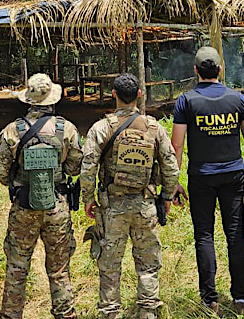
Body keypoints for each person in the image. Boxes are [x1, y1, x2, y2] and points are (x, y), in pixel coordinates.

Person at [80, 73, 180, 319]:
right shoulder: (154, 128)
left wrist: (88, 199)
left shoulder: (101, 128)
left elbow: (88, 167)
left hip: (112, 207)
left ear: (113, 95)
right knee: (148, 264)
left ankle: (110, 313)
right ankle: (148, 311)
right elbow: (170, 165)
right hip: (145, 205)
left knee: (109, 264)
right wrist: (166, 195)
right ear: (139, 95)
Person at [170, 46, 244, 316]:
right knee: (235, 235)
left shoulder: (186, 101)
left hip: (201, 177)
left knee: (204, 235)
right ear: (220, 70)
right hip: (233, 174)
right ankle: (241, 298)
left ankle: (209, 299)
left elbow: (176, 146)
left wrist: (174, 181)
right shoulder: (238, 100)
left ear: (195, 71)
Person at [0, 73, 83, 319]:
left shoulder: (13, 130)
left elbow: (2, 173)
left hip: (23, 207)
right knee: (59, 270)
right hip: (57, 205)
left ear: (29, 100)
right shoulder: (66, 129)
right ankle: (65, 314)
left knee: (17, 267)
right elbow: (76, 167)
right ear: (52, 100)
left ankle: (11, 315)